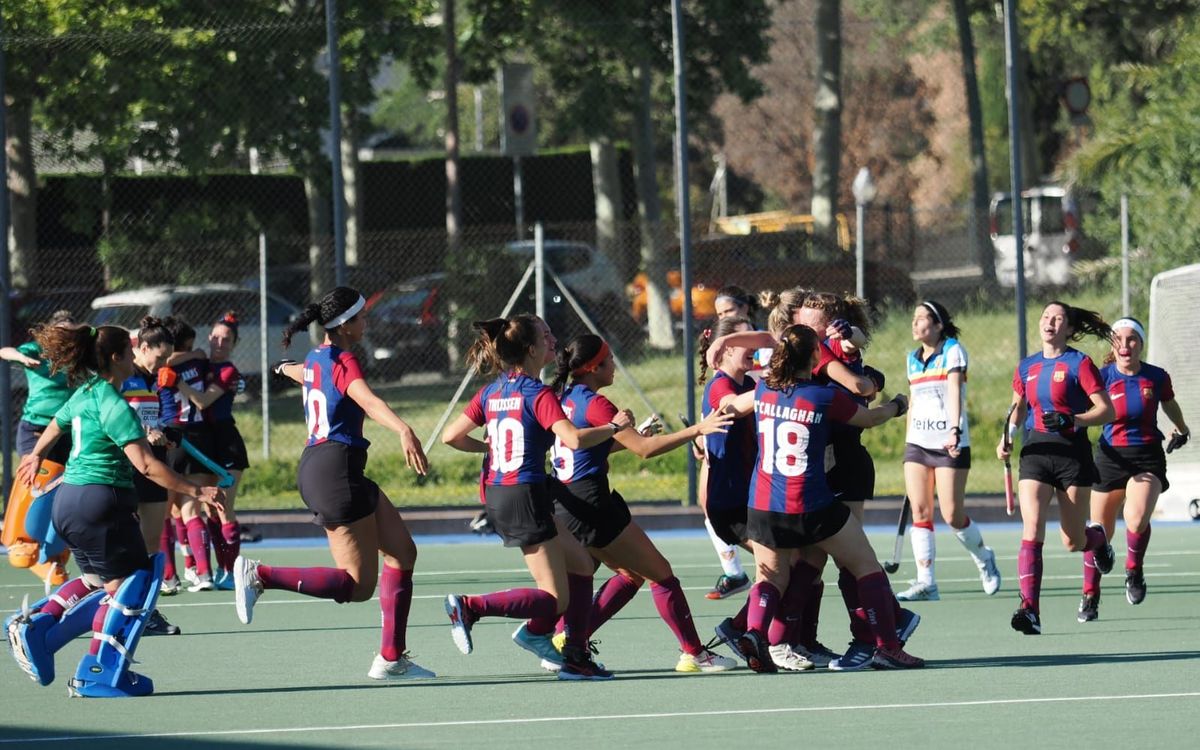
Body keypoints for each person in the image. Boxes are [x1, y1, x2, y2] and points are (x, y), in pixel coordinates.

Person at [5, 323, 224, 697]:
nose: (134, 354)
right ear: (116, 358)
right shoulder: (112, 402)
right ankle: (99, 672)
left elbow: (56, 424)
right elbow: (147, 466)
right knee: (134, 586)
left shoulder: (85, 393)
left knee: (95, 583)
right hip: (99, 502)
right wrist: (196, 489)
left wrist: (35, 453)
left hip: (69, 502)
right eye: (130, 349)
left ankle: (40, 628)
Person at [235, 286, 435, 681]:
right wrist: (403, 428)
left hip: (334, 468)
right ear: (344, 326)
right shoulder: (344, 360)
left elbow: (303, 372)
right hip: (334, 471)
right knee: (358, 586)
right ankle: (260, 575)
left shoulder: (316, 358)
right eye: (362, 317)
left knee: (403, 552)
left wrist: (281, 368)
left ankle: (391, 659)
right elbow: (368, 400)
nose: (367, 322)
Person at [720, 324, 923, 672]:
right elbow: (870, 418)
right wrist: (899, 405)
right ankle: (888, 647)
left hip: (763, 505)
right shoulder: (822, 396)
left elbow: (731, 406)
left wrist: (720, 398)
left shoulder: (764, 389)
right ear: (816, 356)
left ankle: (754, 632)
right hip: (810, 504)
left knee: (770, 577)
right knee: (865, 565)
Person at [441, 314, 632, 681]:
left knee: (579, 562)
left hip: (506, 491)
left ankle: (574, 654)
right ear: (531, 349)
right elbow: (574, 439)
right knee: (554, 598)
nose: (553, 341)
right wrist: (614, 427)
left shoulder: (493, 392)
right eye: (546, 337)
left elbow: (451, 436)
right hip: (523, 495)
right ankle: (470, 607)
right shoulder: (537, 393)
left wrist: (490, 447)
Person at [547, 333, 737, 673]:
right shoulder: (596, 403)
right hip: (593, 503)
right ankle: (694, 654)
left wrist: (631, 437)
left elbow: (587, 448)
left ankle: (569, 636)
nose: (614, 365)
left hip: (569, 502)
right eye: (609, 359)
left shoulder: (565, 397)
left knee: (630, 574)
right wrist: (699, 429)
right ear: (593, 367)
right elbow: (645, 451)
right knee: (662, 575)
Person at [998, 301, 1116, 635]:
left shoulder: (1080, 363)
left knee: (1073, 540)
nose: (1050, 322)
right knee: (1032, 528)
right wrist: (1006, 438)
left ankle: (1099, 542)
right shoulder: (1026, 367)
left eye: (1058, 318)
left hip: (1072, 456)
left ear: (1069, 328)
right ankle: (1029, 609)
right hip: (1035, 452)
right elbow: (1018, 410)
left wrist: (1073, 420)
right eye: (1046, 317)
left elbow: (1107, 411)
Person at [1078, 317, 1190, 621]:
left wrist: (1181, 429)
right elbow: (1082, 412)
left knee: (1137, 517)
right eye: (1119, 340)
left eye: (1132, 340)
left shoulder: (1156, 377)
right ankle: (1090, 594)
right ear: (1113, 345)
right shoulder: (1101, 378)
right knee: (1097, 532)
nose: (1125, 346)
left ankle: (1134, 570)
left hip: (1147, 457)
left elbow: (1169, 404)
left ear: (1141, 344)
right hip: (1109, 458)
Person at [899, 300, 1000, 601]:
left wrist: (954, 430)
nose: (915, 324)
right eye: (914, 319)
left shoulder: (953, 350)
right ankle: (926, 582)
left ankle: (984, 557)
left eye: (922, 319)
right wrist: (908, 440)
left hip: (949, 443)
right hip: (917, 443)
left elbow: (955, 391)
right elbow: (914, 400)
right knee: (920, 510)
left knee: (952, 514)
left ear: (938, 324)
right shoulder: (911, 359)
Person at [169, 312, 249, 589]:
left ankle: (232, 571)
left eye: (226, 339)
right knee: (208, 508)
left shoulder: (228, 371)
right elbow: (173, 359)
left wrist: (176, 382)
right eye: (215, 337)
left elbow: (202, 401)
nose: (219, 342)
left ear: (234, 344)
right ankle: (211, 569)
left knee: (224, 508)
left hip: (227, 443)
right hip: (206, 445)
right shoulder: (200, 360)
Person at [0, 310, 77, 585]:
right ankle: (20, 541)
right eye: (61, 333)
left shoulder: (77, 354)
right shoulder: (36, 349)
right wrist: (21, 358)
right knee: (34, 480)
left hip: (66, 432)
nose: (65, 338)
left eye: (70, 333)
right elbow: (4, 351)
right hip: (35, 429)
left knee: (62, 487)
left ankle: (54, 554)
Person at [118, 316, 182, 635]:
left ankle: (145, 611)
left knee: (151, 542)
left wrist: (164, 434)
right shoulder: (125, 378)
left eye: (167, 358)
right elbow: (118, 416)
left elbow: (149, 419)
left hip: (152, 465)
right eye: (159, 357)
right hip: (129, 468)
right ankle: (126, 608)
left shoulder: (150, 381)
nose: (163, 364)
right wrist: (144, 430)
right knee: (129, 544)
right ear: (142, 348)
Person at [697, 316, 757, 602]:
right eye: (748, 340)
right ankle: (749, 632)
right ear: (728, 348)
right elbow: (729, 406)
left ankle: (752, 632)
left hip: (751, 497)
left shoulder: (747, 383)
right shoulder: (720, 385)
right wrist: (771, 393)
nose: (755, 346)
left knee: (788, 565)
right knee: (784, 564)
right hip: (730, 504)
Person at [158, 318, 217, 592]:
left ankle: (168, 577)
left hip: (172, 436)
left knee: (163, 512)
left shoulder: (161, 367)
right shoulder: (199, 360)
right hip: (199, 435)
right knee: (191, 508)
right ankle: (203, 572)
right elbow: (199, 354)